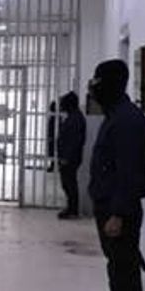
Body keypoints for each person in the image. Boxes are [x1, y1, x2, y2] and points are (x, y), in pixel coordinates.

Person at [76, 60, 145, 291]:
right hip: (109, 205)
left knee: (126, 272)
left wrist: (118, 213)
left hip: (119, 210)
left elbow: (129, 173)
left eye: (96, 82)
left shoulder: (128, 121)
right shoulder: (116, 116)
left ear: (111, 84)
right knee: (116, 269)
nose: (92, 89)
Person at [56, 91, 87, 219]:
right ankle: (71, 208)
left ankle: (72, 209)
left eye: (63, 104)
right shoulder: (74, 117)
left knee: (69, 183)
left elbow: (74, 141)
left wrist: (66, 157)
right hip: (70, 157)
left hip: (70, 158)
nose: (61, 106)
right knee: (68, 183)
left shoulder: (75, 119)